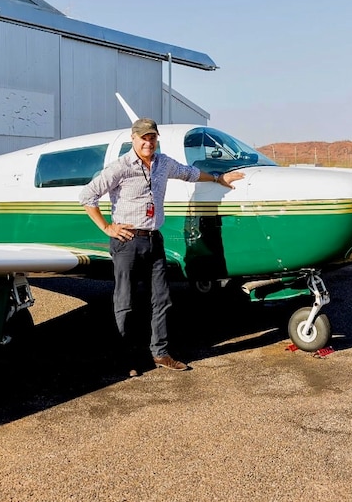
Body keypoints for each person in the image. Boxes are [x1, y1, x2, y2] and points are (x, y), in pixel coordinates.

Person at [79, 118, 244, 377]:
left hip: (154, 239)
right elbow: (87, 196)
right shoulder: (120, 168)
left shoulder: (163, 163)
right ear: (133, 139)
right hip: (127, 241)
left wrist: (218, 178)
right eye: (143, 138)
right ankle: (129, 358)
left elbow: (189, 173)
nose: (148, 142)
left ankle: (160, 352)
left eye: (152, 137)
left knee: (162, 298)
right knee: (126, 300)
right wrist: (107, 228)